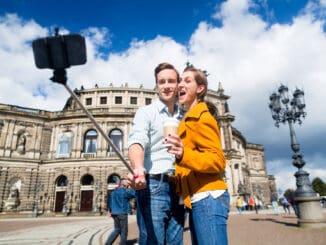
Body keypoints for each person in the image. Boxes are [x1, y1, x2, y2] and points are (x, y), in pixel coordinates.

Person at [165, 65, 230, 245]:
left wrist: (183, 153)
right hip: (198, 198)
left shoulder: (202, 117)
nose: (180, 85)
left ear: (200, 88)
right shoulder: (189, 117)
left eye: (187, 81)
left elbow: (218, 160)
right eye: (180, 81)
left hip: (208, 197)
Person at [127, 62, 185, 244]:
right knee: (153, 241)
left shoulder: (183, 116)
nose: (166, 85)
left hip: (180, 186)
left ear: (178, 85)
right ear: (156, 86)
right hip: (154, 185)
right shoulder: (146, 112)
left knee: (176, 242)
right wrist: (138, 168)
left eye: (171, 81)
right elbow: (137, 141)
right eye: (162, 82)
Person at [105, 179, 135, 245]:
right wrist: (131, 187)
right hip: (122, 213)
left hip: (114, 213)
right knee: (124, 231)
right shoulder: (125, 192)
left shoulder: (113, 192)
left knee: (117, 229)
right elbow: (134, 194)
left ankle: (107, 243)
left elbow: (110, 202)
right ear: (125, 185)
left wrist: (109, 211)